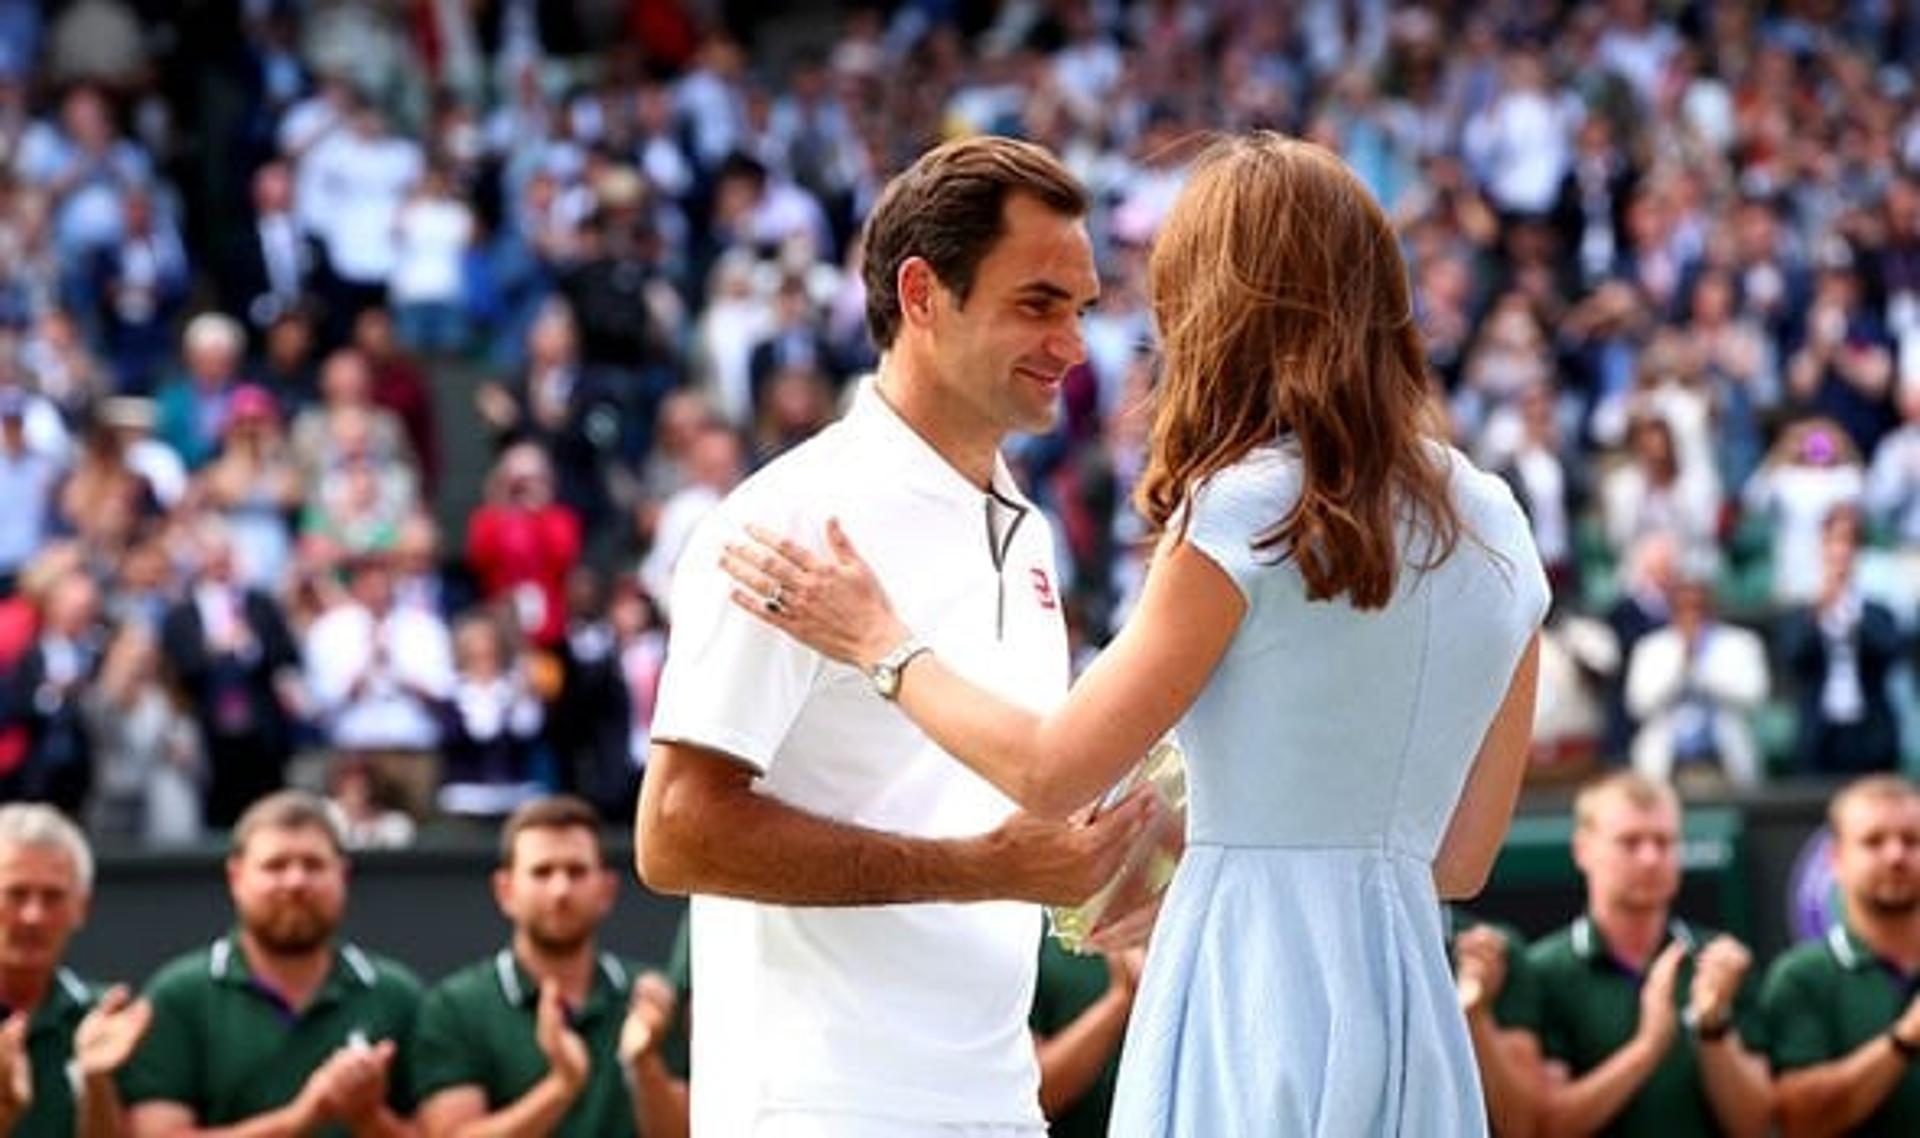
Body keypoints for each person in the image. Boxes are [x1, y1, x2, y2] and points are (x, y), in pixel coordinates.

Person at [715, 132, 1548, 1134]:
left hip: (1250, 995)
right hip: (1411, 997)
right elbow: (1461, 861)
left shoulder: (1246, 509)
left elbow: (1053, 770)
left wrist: (879, 642)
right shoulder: (1497, 520)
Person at [634, 135, 1158, 1137]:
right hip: (818, 1109)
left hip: (996, 1101)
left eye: (1081, 309)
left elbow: (982, 812)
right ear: (922, 294)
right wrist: (984, 869)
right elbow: (675, 832)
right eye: (1037, 303)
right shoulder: (789, 520)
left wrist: (1099, 871)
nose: (1073, 347)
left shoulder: (1030, 532)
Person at [120, 791, 422, 1137]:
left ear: (343, 876)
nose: (296, 882)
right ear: (236, 878)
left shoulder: (395, 995)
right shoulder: (178, 996)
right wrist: (302, 1117)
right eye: (275, 866)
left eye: (313, 865)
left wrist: (368, 1116)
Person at [413, 796, 685, 1138]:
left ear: (607, 889)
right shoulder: (455, 1006)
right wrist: (563, 1084)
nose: (560, 890)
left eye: (577, 871)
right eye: (542, 872)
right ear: (505, 890)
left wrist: (645, 1064)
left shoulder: (651, 1000)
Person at [1526, 773, 1771, 1136]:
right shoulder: (1543, 971)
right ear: (1583, 849)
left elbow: (1755, 1125)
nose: (1650, 858)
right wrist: (1649, 1044)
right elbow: (1542, 1128)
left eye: (1665, 841)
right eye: (1630, 842)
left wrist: (1713, 1025)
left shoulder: (1721, 963)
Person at [1763, 774, 1920, 1135]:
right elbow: (1796, 1120)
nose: (1896, 855)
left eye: (1912, 840)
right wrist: (1905, 1037)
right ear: (1836, 858)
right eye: (1874, 841)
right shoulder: (1801, 976)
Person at [0, 804, 151, 1137]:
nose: (33, 915)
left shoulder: (106, 1020)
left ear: (81, 907)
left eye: (53, 897)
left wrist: (95, 1081)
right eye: (15, 893)